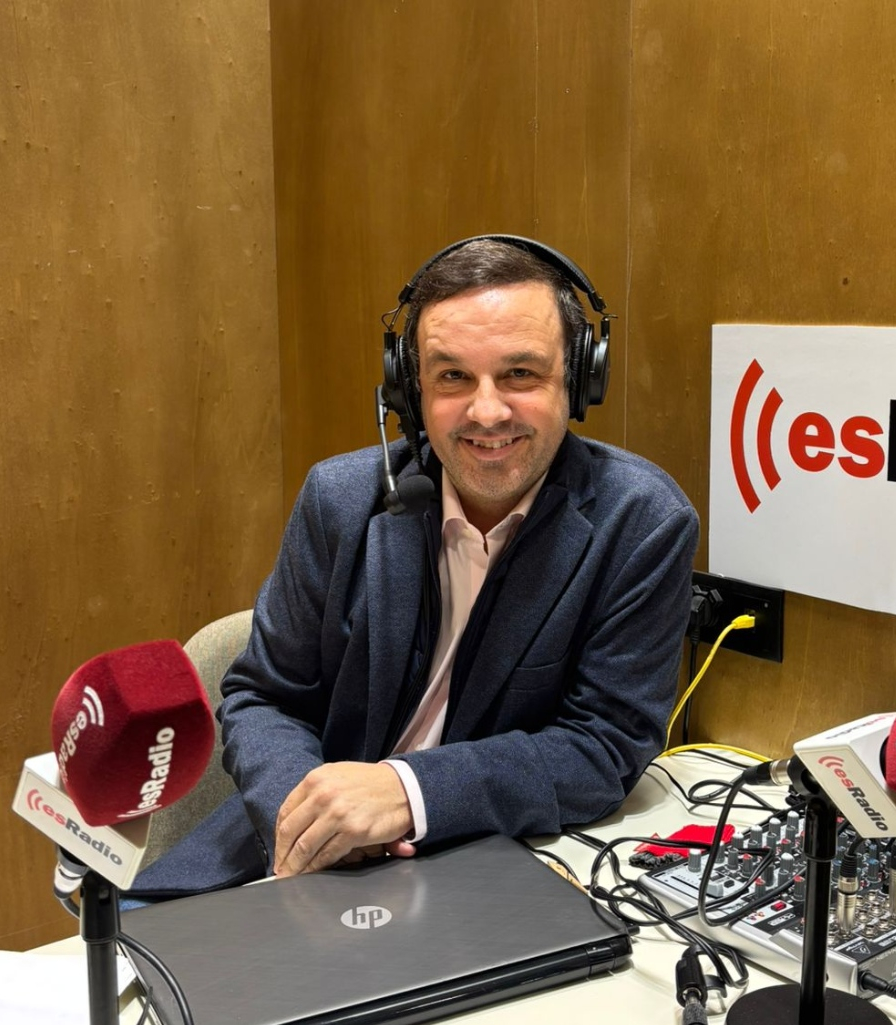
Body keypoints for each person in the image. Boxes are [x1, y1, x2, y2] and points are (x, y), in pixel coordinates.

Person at [136, 235, 697, 895]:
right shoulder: (339, 500)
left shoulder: (642, 523)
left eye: (520, 373)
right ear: (409, 389)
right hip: (299, 860)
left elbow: (603, 745)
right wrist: (314, 817)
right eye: (453, 376)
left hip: (493, 865)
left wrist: (407, 792)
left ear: (578, 381)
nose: (487, 411)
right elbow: (264, 695)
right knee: (130, 955)